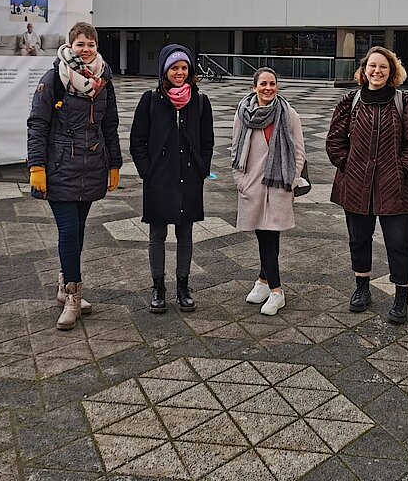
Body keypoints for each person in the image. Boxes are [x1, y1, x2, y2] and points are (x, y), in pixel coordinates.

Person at [27, 21, 122, 330]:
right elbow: (37, 124)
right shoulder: (54, 78)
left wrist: (115, 164)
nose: (86, 49)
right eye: (80, 43)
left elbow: (110, 125)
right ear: (70, 46)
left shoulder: (104, 80)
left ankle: (63, 281)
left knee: (79, 231)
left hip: (93, 165)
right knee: (68, 231)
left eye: (91, 44)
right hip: (60, 167)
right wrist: (37, 166)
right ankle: (73, 296)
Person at [326, 46, 408, 324]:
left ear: (392, 71)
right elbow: (335, 140)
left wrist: (400, 170)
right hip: (356, 185)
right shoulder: (351, 100)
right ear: (364, 69)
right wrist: (348, 165)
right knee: (358, 239)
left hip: (396, 187)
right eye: (372, 66)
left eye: (383, 67)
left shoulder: (405, 102)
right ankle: (362, 287)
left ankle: (401, 295)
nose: (377, 71)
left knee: (398, 242)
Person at [130, 44, 214, 314]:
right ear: (164, 70)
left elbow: (207, 142)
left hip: (188, 177)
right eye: (174, 67)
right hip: (159, 177)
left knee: (185, 232)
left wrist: (202, 169)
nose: (179, 72)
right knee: (157, 233)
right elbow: (137, 140)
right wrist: (147, 170)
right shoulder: (150, 100)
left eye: (184, 68)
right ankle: (158, 287)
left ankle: (183, 286)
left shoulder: (200, 102)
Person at [232, 68, 306, 316]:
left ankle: (276, 291)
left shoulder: (289, 114)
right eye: (263, 83)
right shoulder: (243, 114)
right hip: (252, 185)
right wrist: (240, 181)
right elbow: (235, 149)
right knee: (264, 235)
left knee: (269, 236)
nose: (268, 88)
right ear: (254, 87)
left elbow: (299, 152)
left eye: (272, 83)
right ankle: (264, 282)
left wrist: (292, 180)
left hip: (278, 185)